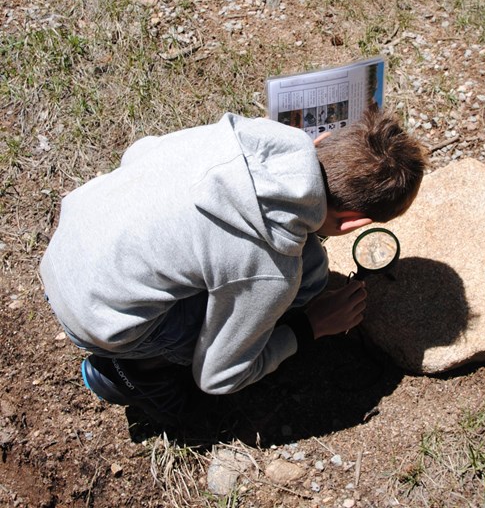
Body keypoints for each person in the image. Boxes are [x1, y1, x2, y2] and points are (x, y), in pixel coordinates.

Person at [40, 108, 425, 427]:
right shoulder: (270, 270)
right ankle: (134, 373)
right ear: (354, 224)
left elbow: (138, 153)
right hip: (97, 321)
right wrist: (311, 328)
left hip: (68, 247)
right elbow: (218, 378)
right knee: (294, 291)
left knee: (310, 272)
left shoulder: (242, 135)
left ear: (320, 141)